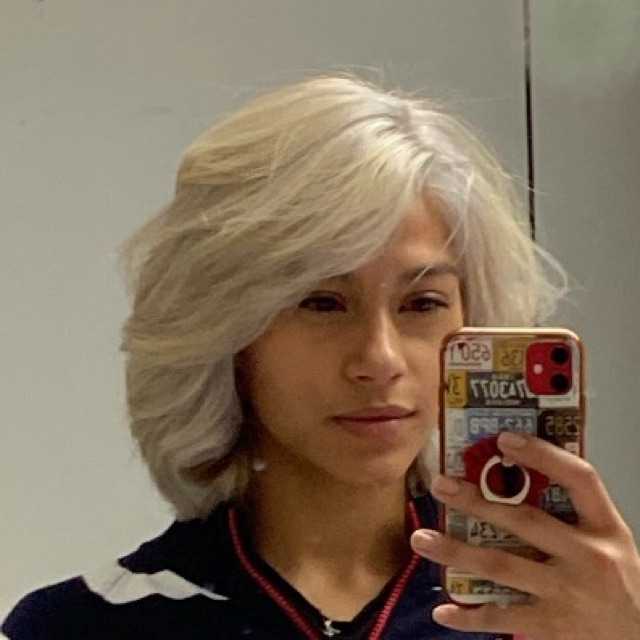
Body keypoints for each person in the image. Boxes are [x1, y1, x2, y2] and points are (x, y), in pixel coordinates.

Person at [3, 73, 640, 640]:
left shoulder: (555, 617)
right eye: (322, 303)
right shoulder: (81, 626)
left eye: (422, 303)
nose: (379, 358)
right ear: (229, 330)